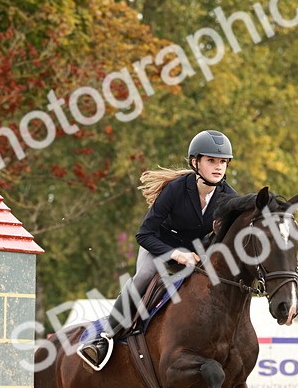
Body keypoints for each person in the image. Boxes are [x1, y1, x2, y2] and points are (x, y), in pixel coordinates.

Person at [79, 129, 239, 370]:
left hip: (196, 254)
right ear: (195, 162)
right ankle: (105, 338)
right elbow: (144, 234)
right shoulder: (176, 189)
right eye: (211, 160)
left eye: (223, 162)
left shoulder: (229, 198)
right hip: (159, 247)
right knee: (144, 276)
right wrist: (175, 254)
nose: (218, 167)